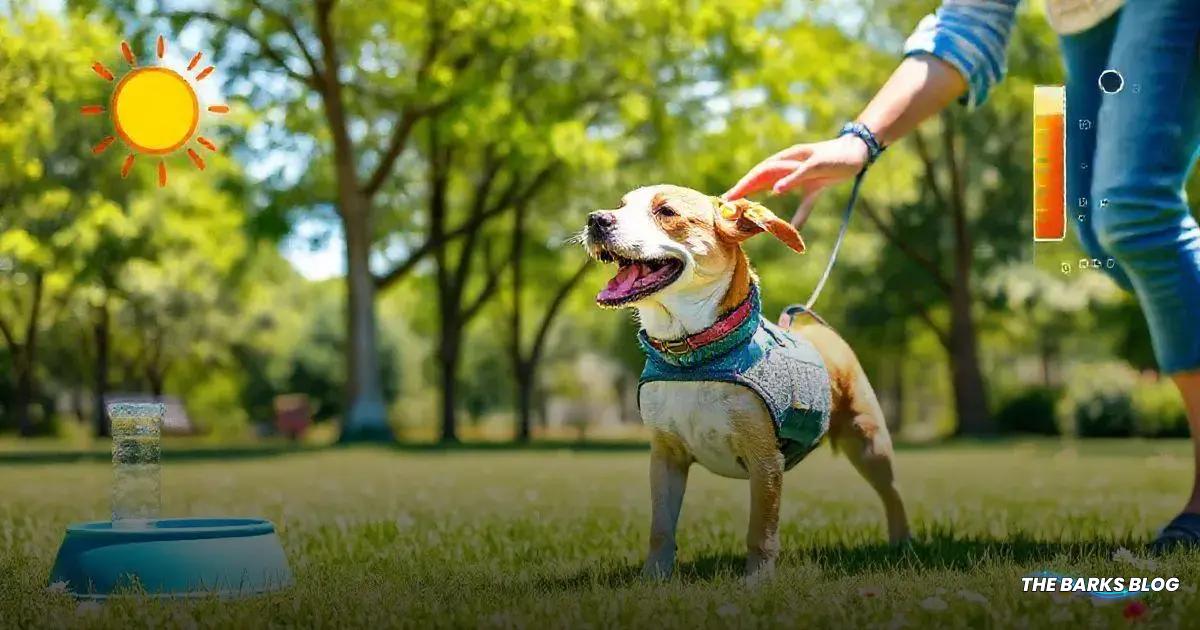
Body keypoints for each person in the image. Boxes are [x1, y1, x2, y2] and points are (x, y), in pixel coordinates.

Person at [725, 0, 1200, 550]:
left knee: (1133, 212)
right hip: (1085, 15)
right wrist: (860, 140)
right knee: (1105, 236)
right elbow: (969, 25)